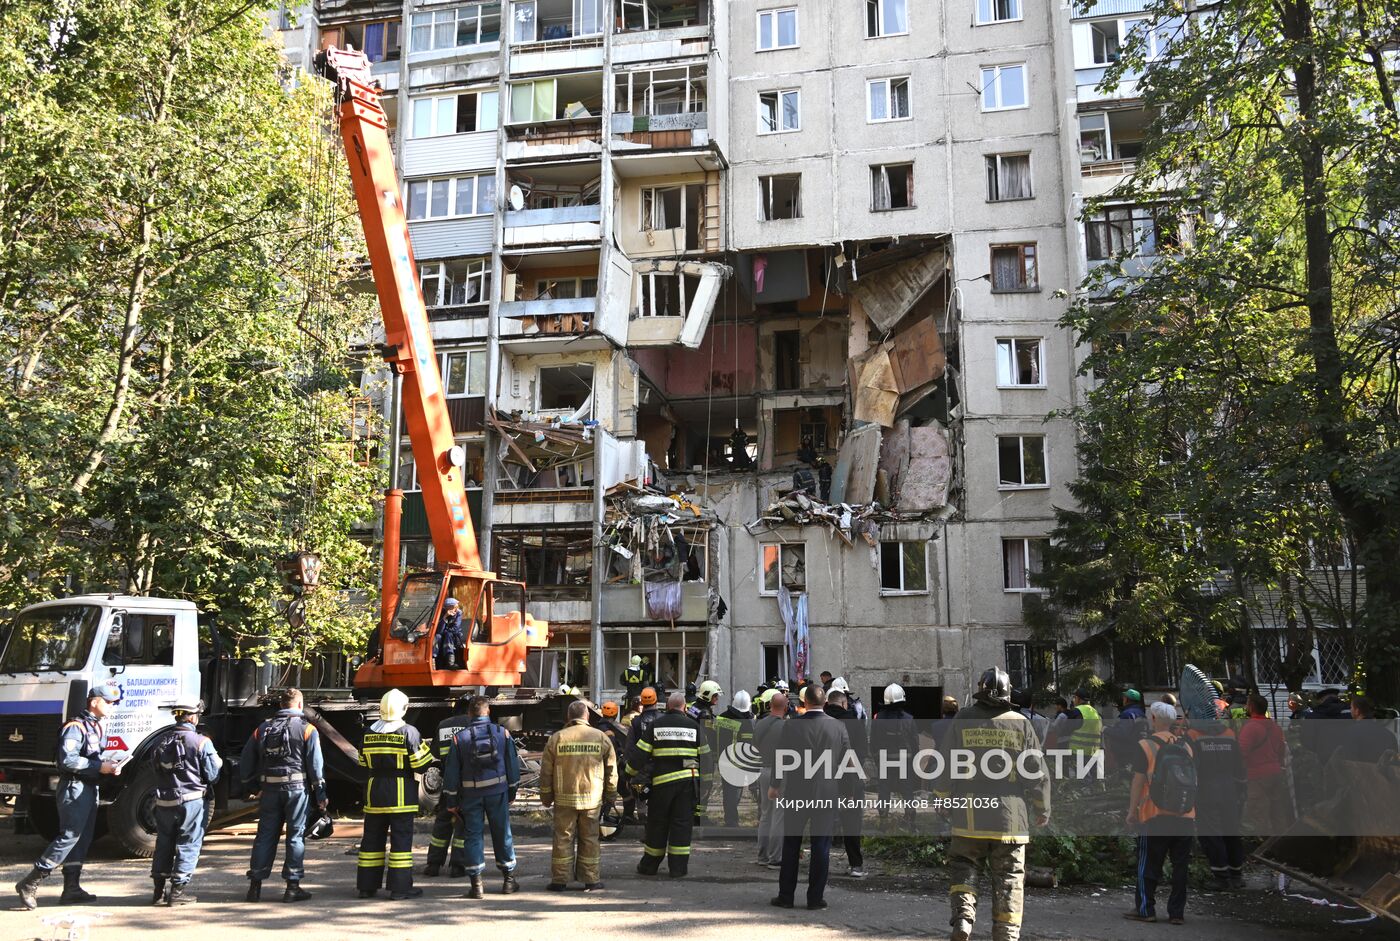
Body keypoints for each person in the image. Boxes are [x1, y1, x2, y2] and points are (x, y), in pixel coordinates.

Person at [937, 667, 1049, 941]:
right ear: (1008, 694)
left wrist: (941, 798)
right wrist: (1041, 807)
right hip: (1010, 819)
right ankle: (1007, 933)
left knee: (964, 865)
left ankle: (963, 919)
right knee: (1010, 878)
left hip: (969, 814)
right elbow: (1036, 770)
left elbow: (946, 764)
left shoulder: (962, 719)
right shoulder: (1021, 723)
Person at [14, 685, 125, 910]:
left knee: (82, 838)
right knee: (70, 836)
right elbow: (68, 761)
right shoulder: (75, 727)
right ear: (94, 701)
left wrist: (109, 765)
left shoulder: (95, 727)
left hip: (88, 788)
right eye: (109, 702)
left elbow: (91, 757)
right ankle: (30, 882)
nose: (112, 707)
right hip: (75, 788)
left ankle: (71, 888)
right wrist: (99, 766)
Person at [770, 684, 853, 911]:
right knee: (821, 846)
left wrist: (775, 785)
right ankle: (815, 899)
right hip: (827, 792)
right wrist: (847, 791)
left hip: (797, 791)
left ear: (804, 702)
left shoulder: (791, 726)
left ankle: (786, 896)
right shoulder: (838, 727)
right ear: (825, 702)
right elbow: (848, 762)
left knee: (791, 844)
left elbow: (781, 757)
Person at [241, 687, 324, 903]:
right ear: (299, 705)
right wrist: (321, 795)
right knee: (295, 837)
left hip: (269, 790)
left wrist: (251, 787)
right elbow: (316, 767)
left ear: (281, 705)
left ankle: (255, 887)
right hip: (297, 791)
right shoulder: (308, 730)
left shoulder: (263, 728)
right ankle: (292, 888)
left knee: (265, 836)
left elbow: (246, 759)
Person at [357, 689, 434, 900]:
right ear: (404, 708)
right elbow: (420, 764)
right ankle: (400, 889)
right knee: (400, 843)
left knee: (371, 841)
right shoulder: (408, 732)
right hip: (400, 794)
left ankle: (366, 887)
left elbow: (363, 762)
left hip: (375, 792)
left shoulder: (368, 732)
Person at [1125, 701, 1196, 925]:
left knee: (1148, 864)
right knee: (1180, 866)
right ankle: (1176, 913)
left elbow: (1137, 782)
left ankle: (1146, 910)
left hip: (1154, 814)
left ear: (1153, 719)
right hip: (1185, 814)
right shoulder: (1186, 746)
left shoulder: (1145, 745)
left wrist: (1132, 812)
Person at [444, 697, 522, 898]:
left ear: (469, 714)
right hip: (498, 792)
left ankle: (477, 885)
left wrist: (451, 801)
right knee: (502, 833)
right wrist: (512, 791)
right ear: (488, 712)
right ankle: (508, 881)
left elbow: (451, 773)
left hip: (471, 795)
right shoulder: (502, 733)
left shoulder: (459, 738)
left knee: (473, 836)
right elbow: (512, 766)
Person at [540, 700, 619, 891]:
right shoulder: (601, 738)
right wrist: (611, 795)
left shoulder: (557, 738)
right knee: (590, 838)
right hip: (592, 799)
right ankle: (591, 879)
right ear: (587, 716)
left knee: (563, 838)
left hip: (564, 798)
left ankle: (560, 880)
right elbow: (611, 770)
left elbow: (546, 771)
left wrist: (546, 797)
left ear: (568, 717)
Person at [150, 701, 223, 905]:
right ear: (191, 717)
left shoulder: (159, 740)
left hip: (164, 801)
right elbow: (212, 774)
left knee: (163, 842)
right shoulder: (201, 741)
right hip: (191, 802)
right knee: (188, 843)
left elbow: (153, 768)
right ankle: (178, 892)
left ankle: (158, 892)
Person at [631, 691, 710, 877]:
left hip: (661, 786)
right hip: (687, 785)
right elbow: (706, 759)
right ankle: (678, 869)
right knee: (682, 825)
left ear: (667, 706)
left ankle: (649, 866)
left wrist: (629, 775)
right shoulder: (694, 726)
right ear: (684, 707)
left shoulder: (655, 725)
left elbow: (639, 754)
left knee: (657, 824)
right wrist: (706, 786)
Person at [1187, 710, 1246, 889]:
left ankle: (1221, 876)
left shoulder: (1193, 735)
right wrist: (1242, 789)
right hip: (1230, 789)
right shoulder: (1229, 734)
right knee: (1231, 830)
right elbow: (1239, 765)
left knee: (1211, 832)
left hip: (1206, 791)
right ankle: (1236, 874)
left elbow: (1190, 766)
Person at [425, 695, 476, 877]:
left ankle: (433, 864)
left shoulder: (443, 724)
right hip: (469, 784)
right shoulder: (474, 724)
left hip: (448, 782)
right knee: (463, 823)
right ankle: (457, 866)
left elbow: (436, 754)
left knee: (442, 822)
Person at [824, 688, 868, 878]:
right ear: (844, 703)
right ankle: (856, 865)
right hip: (850, 777)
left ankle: (821, 863)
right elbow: (862, 751)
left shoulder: (820, 721)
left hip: (823, 779)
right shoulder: (854, 723)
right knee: (852, 822)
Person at [1238, 694, 1293, 836]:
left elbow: (1241, 753)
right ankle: (1281, 846)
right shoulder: (1275, 727)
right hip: (1275, 772)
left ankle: (1263, 848)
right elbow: (1282, 750)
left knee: (1259, 814)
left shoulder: (1250, 727)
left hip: (1257, 775)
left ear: (1251, 707)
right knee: (1277, 812)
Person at [871, 683, 920, 825]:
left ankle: (883, 818)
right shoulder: (909, 719)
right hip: (905, 761)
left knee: (884, 789)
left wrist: (877, 759)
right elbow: (914, 744)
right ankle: (910, 818)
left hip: (884, 760)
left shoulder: (878, 718)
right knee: (907, 790)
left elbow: (873, 742)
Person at [754, 690, 789, 868]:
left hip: (763, 769)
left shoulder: (759, 724)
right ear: (786, 707)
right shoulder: (784, 727)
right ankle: (776, 858)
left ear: (769, 705)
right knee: (779, 815)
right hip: (779, 772)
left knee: (766, 814)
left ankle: (762, 855)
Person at [716, 690, 756, 827]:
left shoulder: (721, 717)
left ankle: (730, 820)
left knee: (729, 792)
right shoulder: (749, 721)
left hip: (725, 760)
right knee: (734, 793)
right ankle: (732, 822)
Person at [1337, 695, 1398, 763]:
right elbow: (1394, 761)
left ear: (1357, 711)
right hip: (1383, 773)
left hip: (1359, 772)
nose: (1350, 710)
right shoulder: (1389, 734)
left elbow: (1348, 760)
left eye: (1351, 707)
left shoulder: (1351, 732)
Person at [434, 597, 464, 670]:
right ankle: (433, 660)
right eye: (454, 607)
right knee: (437, 636)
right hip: (444, 634)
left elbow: (455, 629)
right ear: (447, 608)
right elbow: (439, 631)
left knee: (448, 634)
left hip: (454, 636)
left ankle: (450, 662)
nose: (456, 609)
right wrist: (445, 617)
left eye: (456, 606)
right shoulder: (442, 613)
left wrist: (445, 631)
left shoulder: (459, 613)